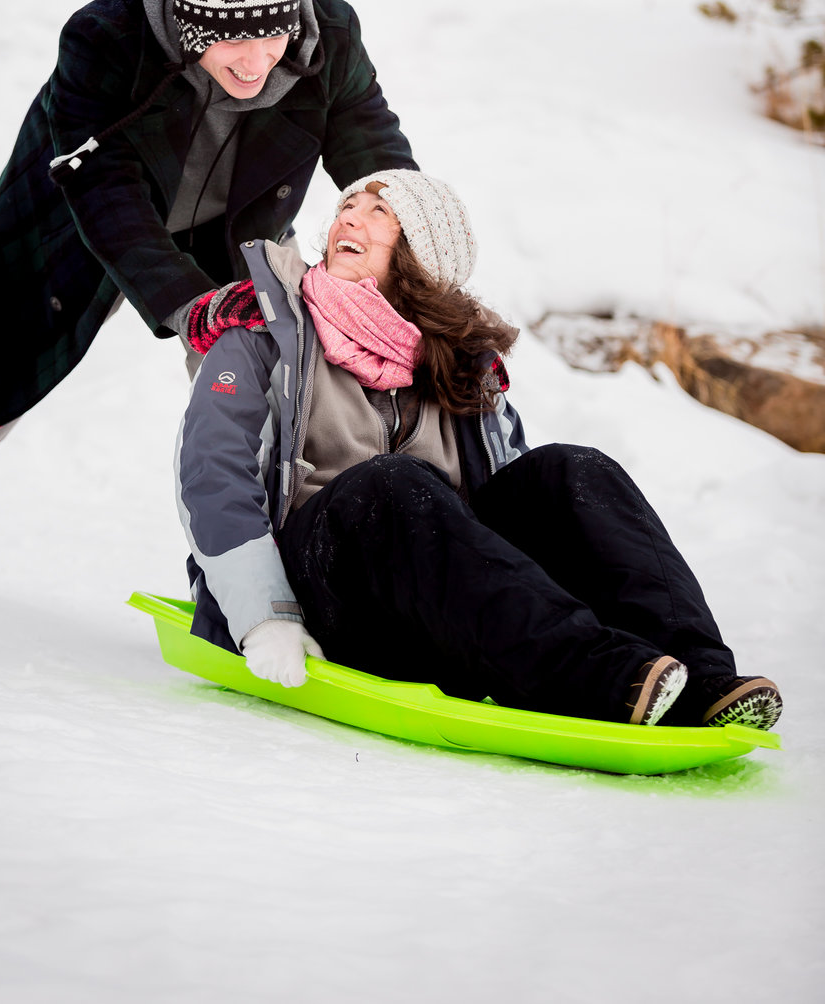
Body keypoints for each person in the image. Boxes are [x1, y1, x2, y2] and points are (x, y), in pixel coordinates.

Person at [0, 0, 417, 579]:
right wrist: (190, 304)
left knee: (277, 409)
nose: (255, 62)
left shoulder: (329, 37)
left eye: (271, 37)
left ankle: (270, 578)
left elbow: (376, 159)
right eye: (231, 39)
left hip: (234, 242)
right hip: (71, 236)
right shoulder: (106, 38)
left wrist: (417, 265)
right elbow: (105, 192)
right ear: (193, 24)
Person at [173, 169, 783, 731]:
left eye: (380, 211)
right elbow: (212, 472)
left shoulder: (458, 365)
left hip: (435, 603)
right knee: (391, 483)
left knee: (572, 470)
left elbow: (516, 520)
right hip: (314, 596)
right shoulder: (263, 331)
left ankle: (699, 679)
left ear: (423, 257)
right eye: (347, 206)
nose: (348, 219)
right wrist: (264, 615)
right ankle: (596, 675)